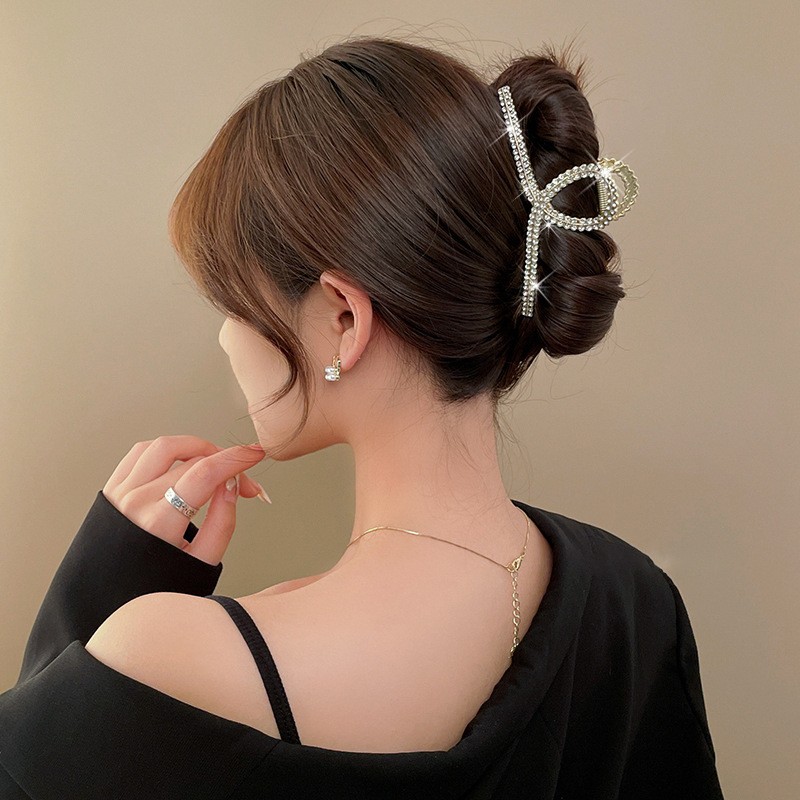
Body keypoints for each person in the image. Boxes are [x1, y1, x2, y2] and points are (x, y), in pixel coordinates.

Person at [0, 35, 724, 799]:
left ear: (344, 318)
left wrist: (99, 591)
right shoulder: (635, 603)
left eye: (233, 303)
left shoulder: (165, 659)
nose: (225, 338)